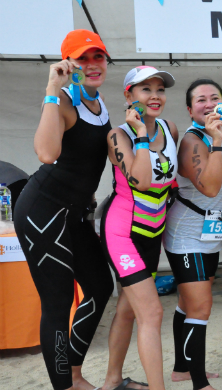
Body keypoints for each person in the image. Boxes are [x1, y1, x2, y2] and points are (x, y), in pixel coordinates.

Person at [14, 30, 115, 390]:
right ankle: (65, 387)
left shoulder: (98, 102)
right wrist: (51, 89)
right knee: (57, 303)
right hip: (42, 211)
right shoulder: (63, 101)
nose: (92, 64)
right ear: (68, 64)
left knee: (100, 287)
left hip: (74, 213)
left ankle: (73, 373)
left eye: (98, 56)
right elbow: (46, 153)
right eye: (82, 58)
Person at [100, 66, 178, 390]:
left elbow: (172, 180)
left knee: (128, 309)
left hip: (152, 234)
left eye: (160, 89)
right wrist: (142, 135)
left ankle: (112, 381)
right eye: (146, 89)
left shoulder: (170, 128)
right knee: (152, 312)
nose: (155, 96)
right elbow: (142, 180)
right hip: (123, 233)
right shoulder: (118, 136)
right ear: (129, 95)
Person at [163, 79, 222, 389]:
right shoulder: (193, 141)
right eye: (201, 100)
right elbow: (209, 187)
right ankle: (199, 383)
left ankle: (181, 369)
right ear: (190, 109)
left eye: (214, 98)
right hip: (186, 234)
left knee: (187, 303)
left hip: (212, 234)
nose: (209, 104)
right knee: (200, 306)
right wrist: (216, 141)